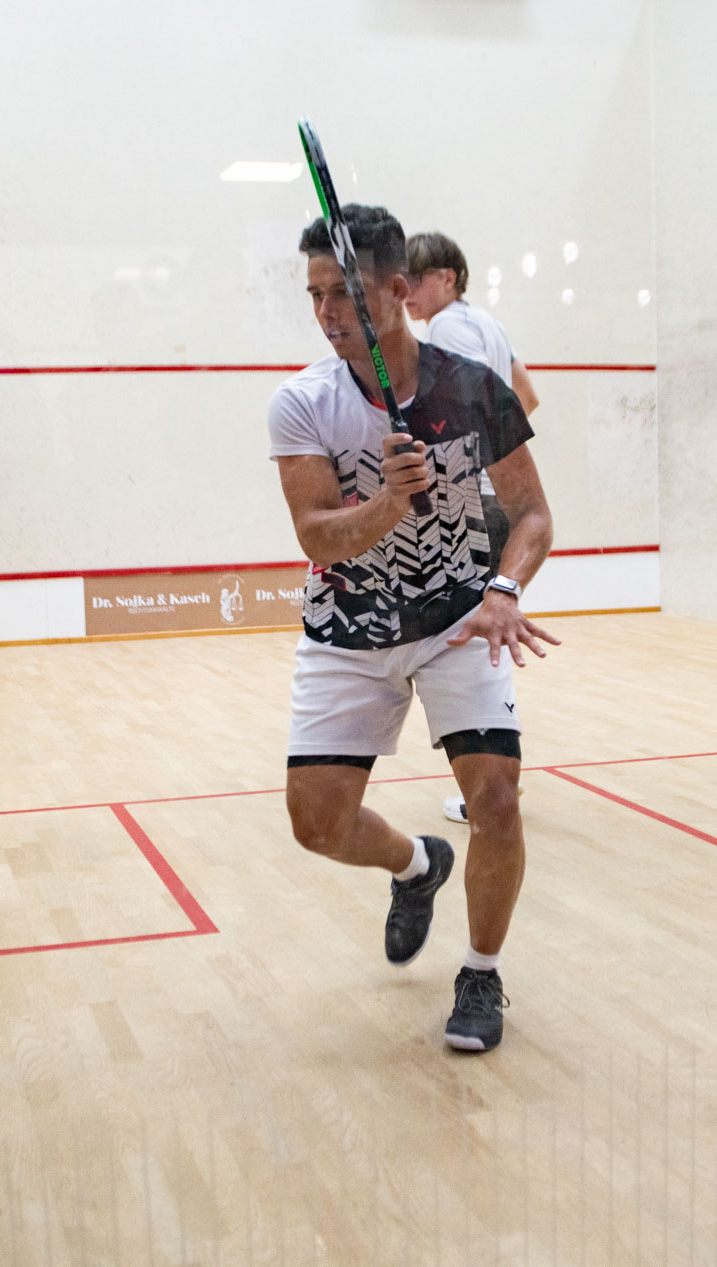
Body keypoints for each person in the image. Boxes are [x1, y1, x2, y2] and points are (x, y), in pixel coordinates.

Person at [268, 203, 559, 1052]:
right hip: (347, 626)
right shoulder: (303, 402)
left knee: (496, 796)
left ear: (398, 290)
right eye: (314, 295)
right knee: (317, 823)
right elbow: (317, 536)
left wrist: (503, 588)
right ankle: (416, 864)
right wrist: (390, 502)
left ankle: (481, 972)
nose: (326, 314)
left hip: (456, 619)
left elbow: (534, 515)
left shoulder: (472, 389)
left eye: (343, 293)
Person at [404, 231, 541, 826]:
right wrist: (497, 455)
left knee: (471, 641)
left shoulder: (446, 332)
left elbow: (463, 414)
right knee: (483, 635)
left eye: (418, 278)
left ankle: (488, 786)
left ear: (450, 278)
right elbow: (525, 397)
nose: (407, 291)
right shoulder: (487, 324)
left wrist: (470, 464)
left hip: (473, 505)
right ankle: (493, 781)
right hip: (494, 499)